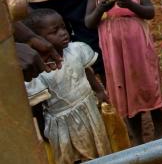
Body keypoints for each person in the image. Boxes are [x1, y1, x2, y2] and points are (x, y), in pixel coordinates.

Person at [85, 0, 162, 145]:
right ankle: (137, 138)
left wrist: (131, 5)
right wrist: (101, 8)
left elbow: (149, 12)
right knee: (124, 90)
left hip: (139, 49)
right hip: (114, 53)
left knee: (149, 85)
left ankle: (159, 132)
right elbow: (89, 23)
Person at [23, 9, 111, 163]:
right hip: (62, 122)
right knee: (71, 156)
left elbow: (86, 70)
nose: (63, 33)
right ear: (37, 39)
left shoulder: (76, 50)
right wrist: (44, 130)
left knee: (98, 145)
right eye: (55, 31)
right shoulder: (38, 71)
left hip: (88, 109)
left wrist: (99, 90)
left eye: (63, 27)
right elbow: (37, 105)